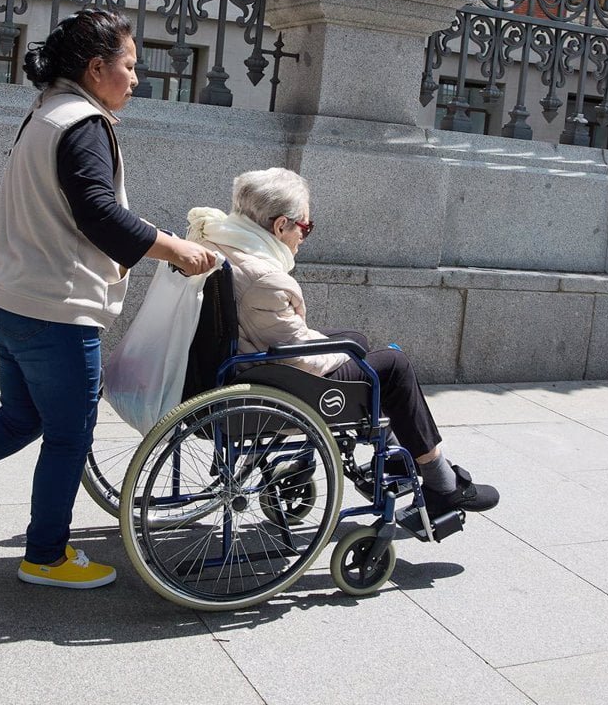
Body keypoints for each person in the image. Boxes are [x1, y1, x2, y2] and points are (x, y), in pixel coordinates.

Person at [0, 9, 215, 589]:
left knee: (20, 417)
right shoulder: (84, 122)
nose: (136, 80)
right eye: (129, 67)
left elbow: (81, 209)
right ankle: (47, 556)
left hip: (11, 299)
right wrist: (175, 251)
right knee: (68, 435)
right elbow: (99, 217)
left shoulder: (48, 113)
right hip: (55, 311)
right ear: (96, 66)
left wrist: (156, 234)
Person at [187, 167, 498, 517]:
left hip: (231, 364)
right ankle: (442, 483)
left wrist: (345, 347)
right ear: (280, 226)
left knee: (358, 340)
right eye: (304, 227)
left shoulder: (218, 242)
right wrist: (344, 353)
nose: (303, 236)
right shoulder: (265, 279)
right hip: (261, 382)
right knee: (393, 366)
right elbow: (301, 359)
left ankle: (398, 454)